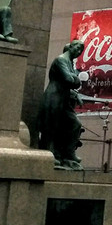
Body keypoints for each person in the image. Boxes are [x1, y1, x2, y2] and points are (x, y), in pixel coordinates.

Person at [36, 40, 85, 169]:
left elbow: (69, 81)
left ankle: (68, 152)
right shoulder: (61, 60)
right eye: (77, 48)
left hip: (64, 99)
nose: (79, 52)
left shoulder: (69, 62)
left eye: (81, 51)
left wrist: (75, 94)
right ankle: (50, 153)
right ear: (71, 47)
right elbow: (68, 79)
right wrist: (77, 79)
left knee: (75, 124)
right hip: (54, 97)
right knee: (51, 127)